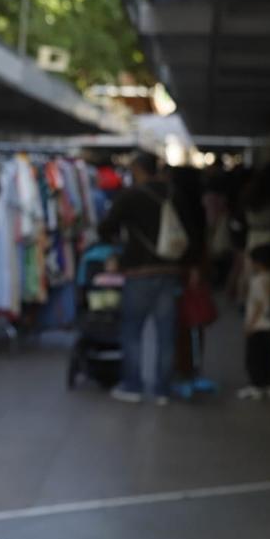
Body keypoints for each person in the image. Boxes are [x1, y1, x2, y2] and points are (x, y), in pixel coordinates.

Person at [97, 151, 182, 405]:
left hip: (138, 271)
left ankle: (133, 385)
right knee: (166, 333)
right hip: (169, 269)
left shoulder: (131, 196)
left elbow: (107, 227)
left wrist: (117, 249)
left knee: (132, 331)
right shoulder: (173, 193)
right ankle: (162, 390)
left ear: (137, 169)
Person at [237, 244, 270, 400]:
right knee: (267, 358)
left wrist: (250, 325)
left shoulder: (257, 281)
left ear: (257, 262)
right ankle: (269, 385)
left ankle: (256, 386)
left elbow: (258, 304)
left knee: (254, 359)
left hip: (258, 326)